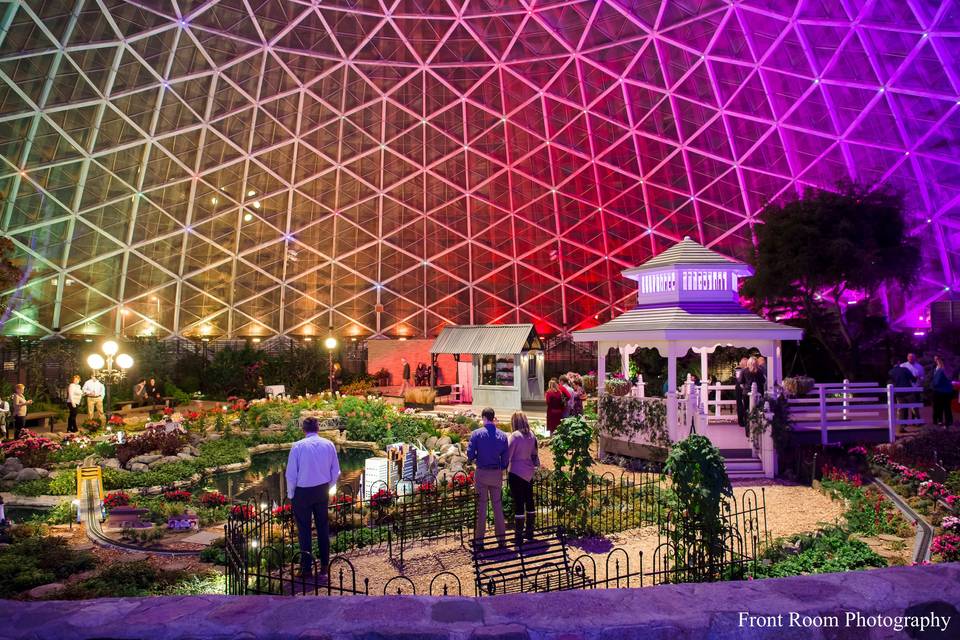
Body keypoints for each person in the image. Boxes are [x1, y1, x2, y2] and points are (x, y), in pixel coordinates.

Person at [285, 416, 341, 579]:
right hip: (321, 490)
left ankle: (306, 568)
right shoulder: (328, 444)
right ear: (318, 429)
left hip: (303, 492)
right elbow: (336, 471)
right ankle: (324, 566)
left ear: (304, 430)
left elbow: (291, 474)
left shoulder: (297, 447)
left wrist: (291, 494)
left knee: (304, 530)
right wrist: (328, 487)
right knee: (323, 528)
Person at [466, 407, 508, 550]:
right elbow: (506, 459)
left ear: (484, 417)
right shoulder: (502, 435)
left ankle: (479, 541)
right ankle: (501, 539)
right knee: (497, 506)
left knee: (481, 506)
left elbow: (470, 454)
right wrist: (500, 468)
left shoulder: (476, 434)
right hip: (496, 472)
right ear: (493, 417)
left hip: (482, 472)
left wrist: (475, 459)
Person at [507, 412, 540, 546]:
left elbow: (508, 455)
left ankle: (519, 536)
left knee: (519, 503)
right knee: (529, 501)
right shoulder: (532, 435)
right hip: (529, 472)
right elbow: (534, 454)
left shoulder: (515, 436)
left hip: (516, 472)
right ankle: (530, 532)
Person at [902, 353, 925, 422]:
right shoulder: (903, 366)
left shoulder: (919, 366)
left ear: (915, 358)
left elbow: (923, 377)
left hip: (916, 389)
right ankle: (904, 422)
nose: (911, 358)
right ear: (907, 358)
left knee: (915, 406)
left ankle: (915, 421)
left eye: (912, 357)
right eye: (909, 357)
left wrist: (919, 379)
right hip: (906, 389)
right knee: (905, 407)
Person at [932, 355, 954, 427]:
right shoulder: (947, 369)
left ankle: (939, 421)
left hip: (940, 391)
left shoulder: (940, 370)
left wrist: (932, 385)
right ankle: (949, 421)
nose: (936, 361)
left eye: (937, 360)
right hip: (947, 391)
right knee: (947, 407)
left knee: (939, 407)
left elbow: (937, 382)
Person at [734, 357, 749, 428]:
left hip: (741, 387)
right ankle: (741, 421)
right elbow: (739, 380)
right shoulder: (739, 370)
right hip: (740, 388)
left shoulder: (744, 370)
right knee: (740, 404)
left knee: (742, 404)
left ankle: (743, 420)